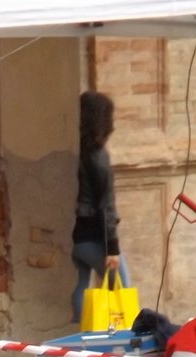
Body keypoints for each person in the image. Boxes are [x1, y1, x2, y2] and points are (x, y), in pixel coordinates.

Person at [71, 90, 129, 325]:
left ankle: (78, 335)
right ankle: (124, 343)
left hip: (76, 235)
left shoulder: (76, 152)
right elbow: (106, 206)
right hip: (96, 238)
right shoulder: (98, 157)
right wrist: (112, 248)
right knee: (122, 288)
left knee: (82, 285)